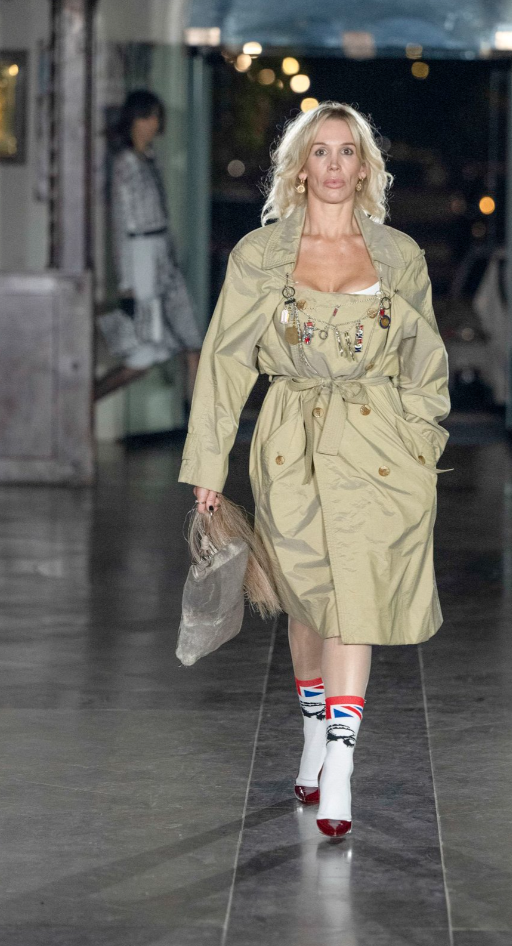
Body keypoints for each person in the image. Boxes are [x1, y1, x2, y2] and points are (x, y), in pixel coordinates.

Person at [179, 102, 451, 838]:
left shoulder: (398, 255)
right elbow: (226, 361)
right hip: (290, 440)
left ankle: (339, 763)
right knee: (307, 601)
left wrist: (422, 441)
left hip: (379, 447)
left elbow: (425, 357)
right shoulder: (260, 254)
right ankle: (311, 731)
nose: (334, 165)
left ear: (365, 168)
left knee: (355, 597)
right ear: (300, 167)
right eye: (321, 151)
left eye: (347, 151)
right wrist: (209, 465)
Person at [95, 89, 202, 402]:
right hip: (142, 256)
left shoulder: (149, 158)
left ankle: (197, 423)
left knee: (190, 342)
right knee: (143, 358)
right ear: (134, 120)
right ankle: (77, 405)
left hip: (159, 255)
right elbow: (120, 225)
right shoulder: (125, 163)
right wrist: (126, 285)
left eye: (156, 117)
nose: (153, 124)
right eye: (147, 117)